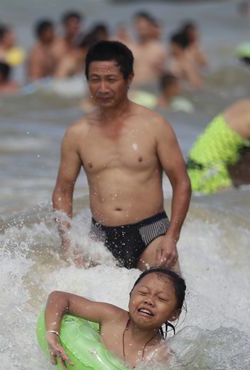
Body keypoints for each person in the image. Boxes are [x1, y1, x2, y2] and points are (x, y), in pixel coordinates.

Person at [52, 41, 191, 271]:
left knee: (161, 288)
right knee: (75, 288)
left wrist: (172, 237)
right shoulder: (77, 133)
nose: (102, 88)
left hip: (151, 233)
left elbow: (181, 182)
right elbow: (62, 191)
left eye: (111, 79)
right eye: (95, 79)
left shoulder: (155, 126)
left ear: (129, 79)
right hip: (101, 237)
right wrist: (68, 242)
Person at [43, 267, 186, 369]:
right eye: (143, 293)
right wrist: (52, 332)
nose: (149, 301)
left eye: (161, 298)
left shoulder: (162, 357)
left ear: (174, 314)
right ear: (130, 295)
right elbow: (59, 297)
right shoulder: (111, 317)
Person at [129, 12, 166, 87]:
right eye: (139, 28)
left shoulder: (158, 49)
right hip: (134, 88)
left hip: (151, 89)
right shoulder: (130, 49)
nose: (141, 31)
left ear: (149, 28)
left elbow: (164, 74)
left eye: (143, 28)